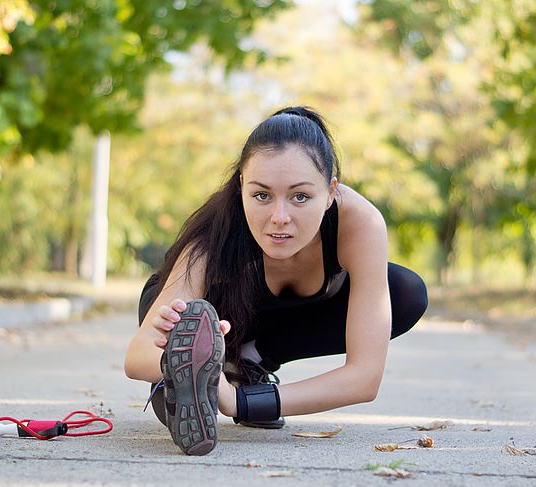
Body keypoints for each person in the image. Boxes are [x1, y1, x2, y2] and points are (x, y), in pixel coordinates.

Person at [124, 106, 428, 455]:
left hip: (267, 329)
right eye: (261, 195)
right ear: (241, 186)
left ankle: (247, 362)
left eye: (300, 196)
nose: (279, 218)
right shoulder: (214, 235)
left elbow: (364, 377)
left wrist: (239, 401)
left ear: (330, 191)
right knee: (178, 367)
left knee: (405, 292)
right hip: (210, 313)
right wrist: (177, 361)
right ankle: (197, 369)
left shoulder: (360, 223)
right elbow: (136, 354)